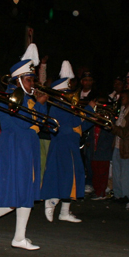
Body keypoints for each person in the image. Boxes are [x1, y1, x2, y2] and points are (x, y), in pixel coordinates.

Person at [0, 43, 48, 250]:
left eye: (33, 79)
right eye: (29, 79)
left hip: (28, 149)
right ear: (18, 79)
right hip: (15, 150)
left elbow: (41, 123)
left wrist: (40, 106)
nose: (32, 83)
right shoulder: (10, 98)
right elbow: (19, 124)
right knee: (14, 194)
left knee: (26, 193)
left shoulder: (28, 98)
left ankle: (19, 237)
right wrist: (37, 114)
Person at [42, 61, 89, 223]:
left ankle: (64, 211)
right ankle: (51, 202)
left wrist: (91, 114)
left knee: (73, 177)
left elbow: (80, 126)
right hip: (62, 145)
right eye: (67, 92)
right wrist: (87, 111)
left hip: (71, 145)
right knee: (62, 176)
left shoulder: (67, 106)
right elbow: (71, 125)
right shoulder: (58, 106)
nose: (71, 96)